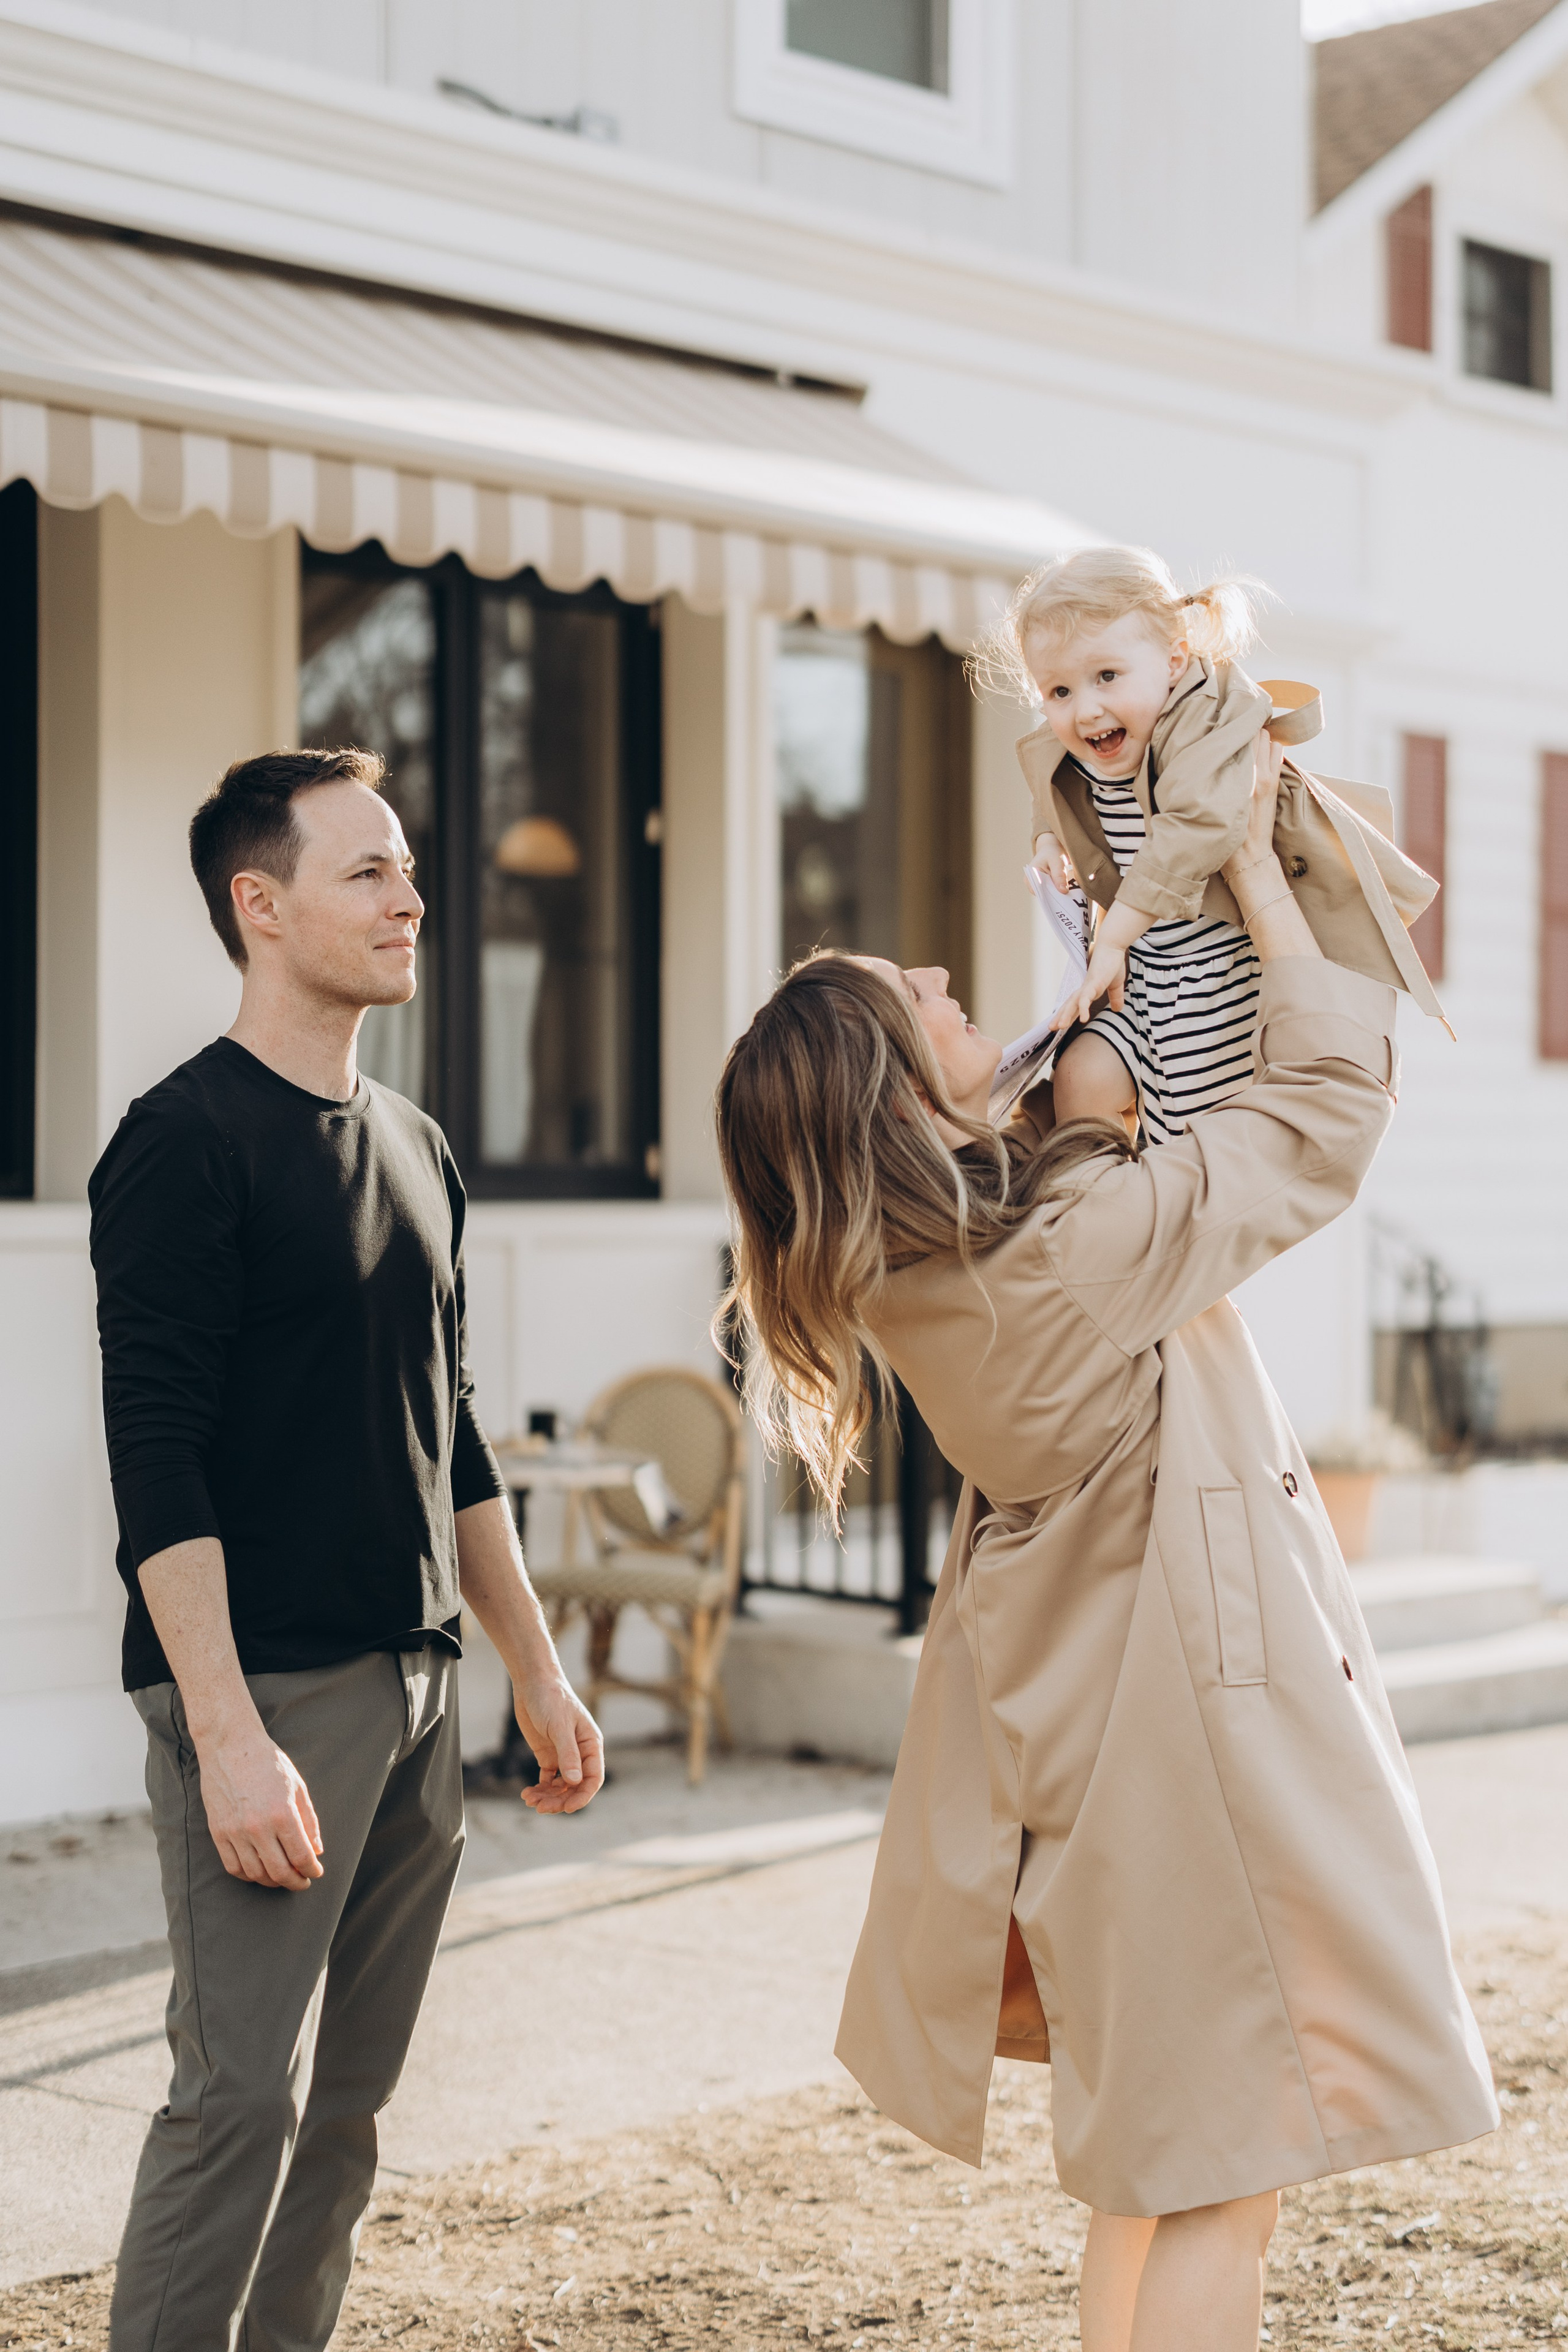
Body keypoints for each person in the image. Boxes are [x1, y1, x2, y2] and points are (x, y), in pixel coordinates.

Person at [714, 737, 1496, 2352]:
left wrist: (1108, 980)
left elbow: (1065, 1117)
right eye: (912, 993)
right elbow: (1331, 1109)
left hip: (1113, 1766)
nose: (943, 975)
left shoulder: (954, 1266)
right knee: (1231, 2176)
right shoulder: (1066, 1253)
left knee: (1152, 2167)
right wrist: (1266, 874)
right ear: (896, 1087)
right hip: (1201, 1767)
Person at [89, 747, 604, 2352]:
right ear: (261, 905)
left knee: (351, 2113)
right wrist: (230, 1742)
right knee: (239, 2098)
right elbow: (154, 1466)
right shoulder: (181, 1145)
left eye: (408, 868)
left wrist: (534, 1665)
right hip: (272, 1701)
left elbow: (450, 1444)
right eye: (368, 871)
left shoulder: (419, 1147)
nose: (412, 899)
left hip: (423, 1690)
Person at [974, 543, 1447, 1141]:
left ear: (1174, 661)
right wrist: (1048, 838)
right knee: (1078, 1077)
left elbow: (1197, 829)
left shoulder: (1205, 727)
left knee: (1193, 1132)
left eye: (1106, 676)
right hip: (1140, 976)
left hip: (1214, 977)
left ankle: (1163, 1208)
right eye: (1059, 691)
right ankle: (1094, 1198)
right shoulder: (1096, 737)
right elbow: (1051, 781)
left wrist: (1114, 935)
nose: (1085, 709)